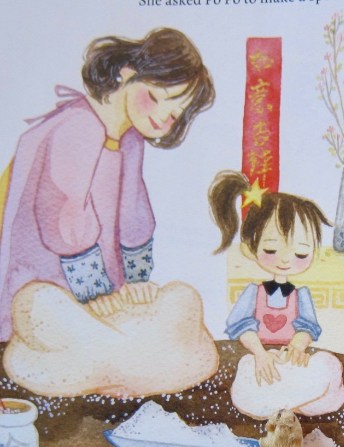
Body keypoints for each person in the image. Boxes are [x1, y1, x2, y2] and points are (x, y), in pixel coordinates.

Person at [0, 27, 215, 340]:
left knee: (177, 306)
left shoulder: (130, 140)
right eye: (156, 97)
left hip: (103, 294)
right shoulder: (78, 125)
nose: (161, 117)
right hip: (45, 290)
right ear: (127, 73)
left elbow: (134, 215)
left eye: (174, 115)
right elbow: (62, 218)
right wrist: (94, 292)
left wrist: (137, 281)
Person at [208, 170, 344, 418]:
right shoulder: (253, 292)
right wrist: (261, 354)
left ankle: (296, 405)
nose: (285, 260)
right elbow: (242, 325)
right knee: (251, 379)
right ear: (251, 247)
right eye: (271, 249)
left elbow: (307, 326)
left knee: (326, 367)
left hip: (290, 359)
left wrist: (298, 346)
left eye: (301, 253)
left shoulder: (301, 295)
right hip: (259, 356)